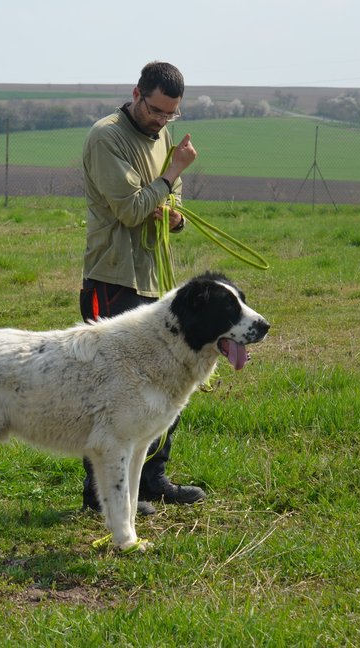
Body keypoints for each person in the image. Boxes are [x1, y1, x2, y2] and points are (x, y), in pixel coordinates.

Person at [79, 61, 202, 516]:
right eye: (155, 110)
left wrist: (176, 215)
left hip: (155, 280)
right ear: (136, 94)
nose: (162, 120)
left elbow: (172, 193)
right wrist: (170, 175)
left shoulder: (165, 137)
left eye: (171, 114)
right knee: (112, 394)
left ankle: (150, 481)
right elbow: (131, 209)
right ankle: (100, 495)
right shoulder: (105, 136)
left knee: (168, 383)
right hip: (113, 279)